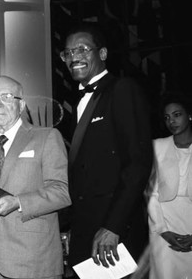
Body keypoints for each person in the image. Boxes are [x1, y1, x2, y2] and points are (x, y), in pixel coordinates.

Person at [60, 23, 153, 270]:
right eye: (67, 53)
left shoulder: (122, 89)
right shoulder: (76, 101)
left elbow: (137, 165)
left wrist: (113, 226)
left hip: (114, 232)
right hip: (85, 229)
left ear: (102, 54)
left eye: (82, 49)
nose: (73, 57)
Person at [0, 75, 71, 279]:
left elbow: (61, 192)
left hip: (35, 262)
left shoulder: (47, 136)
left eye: (6, 96)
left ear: (21, 105)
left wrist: (17, 202)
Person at [147, 93, 192, 278]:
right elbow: (150, 193)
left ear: (189, 115)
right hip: (162, 222)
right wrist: (163, 231)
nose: (171, 121)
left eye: (176, 115)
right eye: (167, 117)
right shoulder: (157, 146)